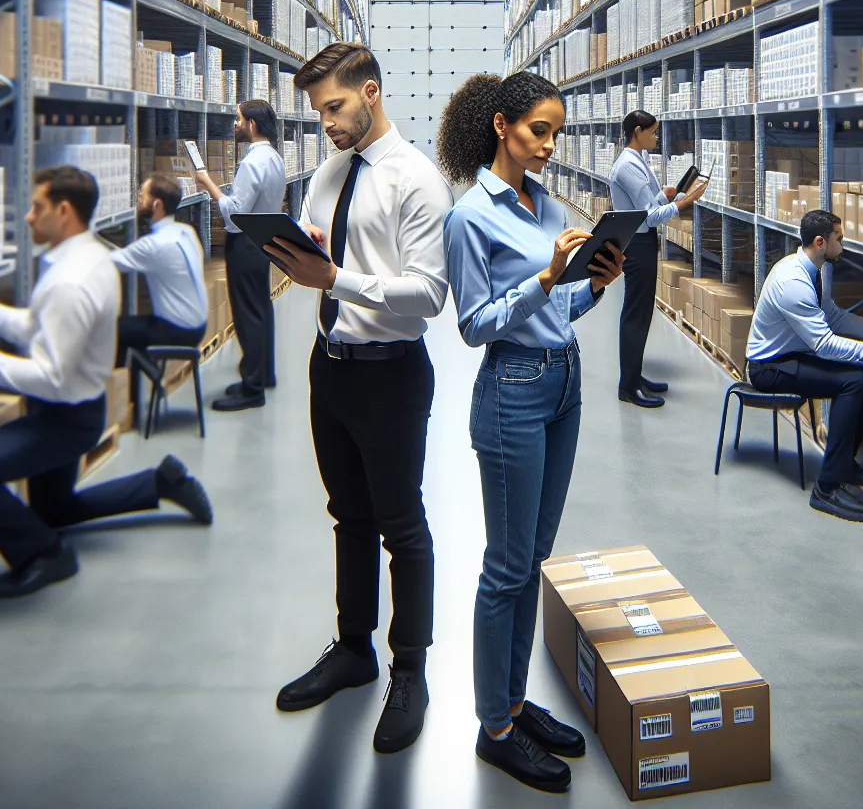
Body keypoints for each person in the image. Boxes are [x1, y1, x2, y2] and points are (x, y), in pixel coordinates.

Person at [262, 43, 453, 754]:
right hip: (331, 366)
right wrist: (297, 247)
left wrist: (334, 276)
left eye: (335, 108)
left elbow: (429, 295)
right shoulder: (328, 174)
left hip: (391, 373)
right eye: (318, 113)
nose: (327, 125)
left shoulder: (417, 181)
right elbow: (321, 246)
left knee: (402, 527)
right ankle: (353, 648)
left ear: (370, 93)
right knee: (348, 515)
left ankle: (411, 671)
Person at [438, 72, 626, 792]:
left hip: (565, 383)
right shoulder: (469, 218)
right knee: (506, 569)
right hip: (512, 390)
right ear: (500, 127)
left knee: (536, 558)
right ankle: (494, 729)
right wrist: (546, 279)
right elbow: (474, 325)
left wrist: (593, 282)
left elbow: (560, 312)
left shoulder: (546, 203)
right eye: (538, 130)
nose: (549, 145)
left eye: (557, 132)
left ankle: (516, 704)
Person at [0, 166, 215, 599]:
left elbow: (51, 377)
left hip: (63, 417)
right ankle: (159, 482)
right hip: (77, 407)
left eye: (36, 207)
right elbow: (40, 328)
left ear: (64, 211)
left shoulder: (70, 279)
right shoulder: (87, 259)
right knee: (53, 507)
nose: (28, 217)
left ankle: (43, 555)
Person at [745, 209, 863, 524]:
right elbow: (825, 345)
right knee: (854, 381)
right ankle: (827, 487)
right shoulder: (793, 282)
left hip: (793, 355)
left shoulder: (811, 270)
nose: (843, 246)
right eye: (840, 239)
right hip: (769, 367)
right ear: (821, 242)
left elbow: (832, 317)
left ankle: (844, 462)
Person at [608, 110, 706, 408]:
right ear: (637, 132)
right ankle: (628, 386)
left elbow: (649, 203)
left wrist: (668, 194)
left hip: (641, 241)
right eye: (652, 132)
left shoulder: (637, 162)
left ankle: (635, 377)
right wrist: (685, 202)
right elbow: (649, 217)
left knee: (642, 312)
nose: (657, 137)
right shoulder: (627, 166)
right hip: (637, 243)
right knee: (635, 314)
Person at [194, 100, 285, 412]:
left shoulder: (252, 163)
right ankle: (264, 374)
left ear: (252, 126)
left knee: (247, 315)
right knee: (261, 309)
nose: (235, 125)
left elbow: (234, 214)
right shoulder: (274, 157)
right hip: (263, 239)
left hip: (245, 242)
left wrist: (209, 185)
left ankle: (252, 388)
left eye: (238, 119)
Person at [109, 172, 208, 419]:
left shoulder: (154, 245)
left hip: (177, 330)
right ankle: (149, 374)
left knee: (116, 329)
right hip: (197, 324)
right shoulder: (186, 231)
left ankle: (120, 403)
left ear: (157, 204)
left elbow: (109, 263)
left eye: (142, 195)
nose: (138, 200)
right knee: (133, 327)